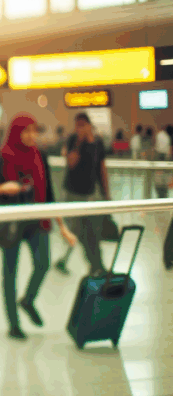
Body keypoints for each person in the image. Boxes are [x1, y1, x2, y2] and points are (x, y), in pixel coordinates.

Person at [0, 115, 77, 339]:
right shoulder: (2, 157)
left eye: (34, 130)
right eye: (26, 131)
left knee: (43, 263)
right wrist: (5, 188)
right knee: (10, 272)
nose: (31, 135)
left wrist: (62, 226)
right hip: (11, 221)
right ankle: (13, 324)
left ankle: (28, 300)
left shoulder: (39, 155)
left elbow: (49, 193)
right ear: (16, 132)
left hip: (37, 219)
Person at [56, 113, 111, 276]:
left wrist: (106, 192)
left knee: (89, 231)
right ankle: (94, 265)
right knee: (77, 230)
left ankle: (93, 264)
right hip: (73, 193)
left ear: (89, 125)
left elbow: (102, 168)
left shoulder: (98, 142)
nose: (79, 127)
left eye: (82, 124)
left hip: (90, 194)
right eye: (77, 124)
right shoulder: (73, 140)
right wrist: (79, 141)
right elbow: (71, 162)